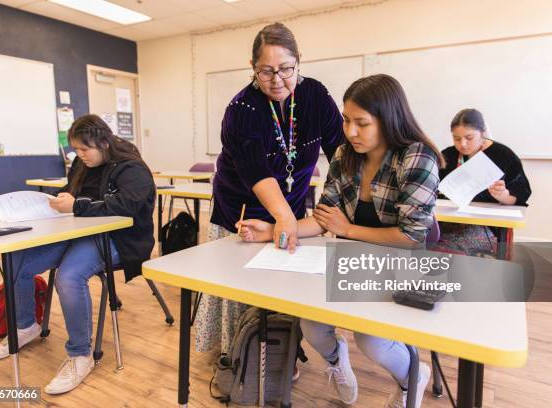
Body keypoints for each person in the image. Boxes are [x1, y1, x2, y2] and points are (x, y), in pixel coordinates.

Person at [238, 74, 443, 408]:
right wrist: (275, 229)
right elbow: (324, 220)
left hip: (400, 266)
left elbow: (412, 235)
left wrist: (347, 230)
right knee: (311, 324)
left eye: (362, 123)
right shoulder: (345, 155)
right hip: (350, 264)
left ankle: (413, 377)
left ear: (389, 120)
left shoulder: (417, 157)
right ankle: (336, 361)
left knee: (372, 341)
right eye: (347, 120)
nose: (350, 131)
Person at [195, 22, 344, 354]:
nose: (277, 80)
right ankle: (241, 355)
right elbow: (257, 173)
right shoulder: (241, 110)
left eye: (286, 69)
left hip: (291, 206)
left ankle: (280, 354)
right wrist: (283, 218)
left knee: (285, 284)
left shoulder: (315, 96)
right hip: (243, 210)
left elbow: (341, 154)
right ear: (253, 68)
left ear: (298, 62)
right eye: (266, 71)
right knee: (241, 289)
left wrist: (340, 204)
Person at [0, 114, 156, 394]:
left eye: (84, 149)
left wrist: (77, 206)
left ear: (103, 142)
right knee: (15, 258)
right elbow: (72, 192)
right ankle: (26, 325)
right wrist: (58, 201)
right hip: (75, 231)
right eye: (75, 150)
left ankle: (80, 354)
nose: (79, 155)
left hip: (117, 238)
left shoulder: (132, 168)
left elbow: (126, 206)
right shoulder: (82, 163)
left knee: (69, 276)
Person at [438, 108, 531, 254]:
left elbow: (521, 194)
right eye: (456, 138)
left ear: (483, 133)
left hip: (485, 226)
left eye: (469, 138)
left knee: (449, 249)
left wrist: (504, 195)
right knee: (420, 242)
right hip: (447, 220)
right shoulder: (447, 155)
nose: (462, 144)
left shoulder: (503, 155)